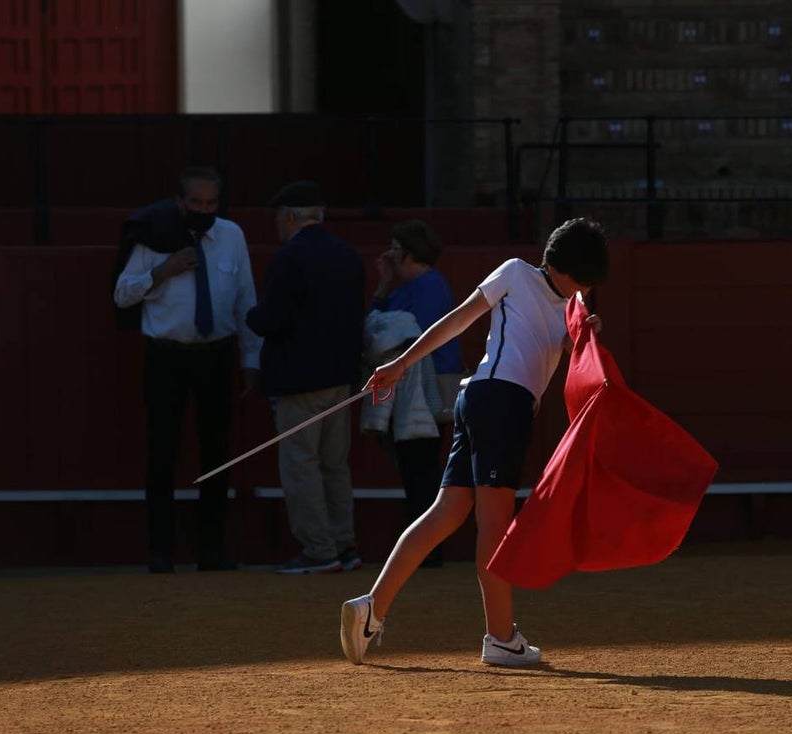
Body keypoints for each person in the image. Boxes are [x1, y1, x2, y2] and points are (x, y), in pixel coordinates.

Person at [340, 217, 610, 667]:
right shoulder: (537, 283)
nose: (584, 288)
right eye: (583, 279)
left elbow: (463, 322)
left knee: (446, 513)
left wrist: (585, 333)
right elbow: (460, 321)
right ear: (570, 271)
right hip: (505, 405)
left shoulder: (542, 289)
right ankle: (500, 637)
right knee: (494, 524)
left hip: (477, 397)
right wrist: (401, 364)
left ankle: (372, 607)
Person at [113, 166, 261, 574]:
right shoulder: (154, 234)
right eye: (195, 203)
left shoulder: (230, 235)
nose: (203, 209)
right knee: (162, 451)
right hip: (166, 355)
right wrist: (162, 270)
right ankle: (160, 551)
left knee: (217, 453)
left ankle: (211, 550)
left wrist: (251, 360)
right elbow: (122, 295)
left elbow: (245, 300)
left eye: (210, 203)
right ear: (180, 202)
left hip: (216, 354)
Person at [245, 181, 366, 575]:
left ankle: (319, 549)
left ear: (291, 217)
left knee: (302, 464)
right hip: (341, 377)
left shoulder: (291, 258)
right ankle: (343, 543)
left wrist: (250, 316)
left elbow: (270, 319)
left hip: (299, 379)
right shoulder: (347, 255)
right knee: (334, 464)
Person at [368, 219, 462, 568]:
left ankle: (427, 550)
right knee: (417, 468)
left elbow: (395, 334)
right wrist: (383, 284)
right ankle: (425, 549)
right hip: (416, 390)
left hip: (424, 390)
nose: (389, 254)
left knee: (420, 468)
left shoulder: (427, 286)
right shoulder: (414, 286)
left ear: (408, 252)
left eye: (395, 247)